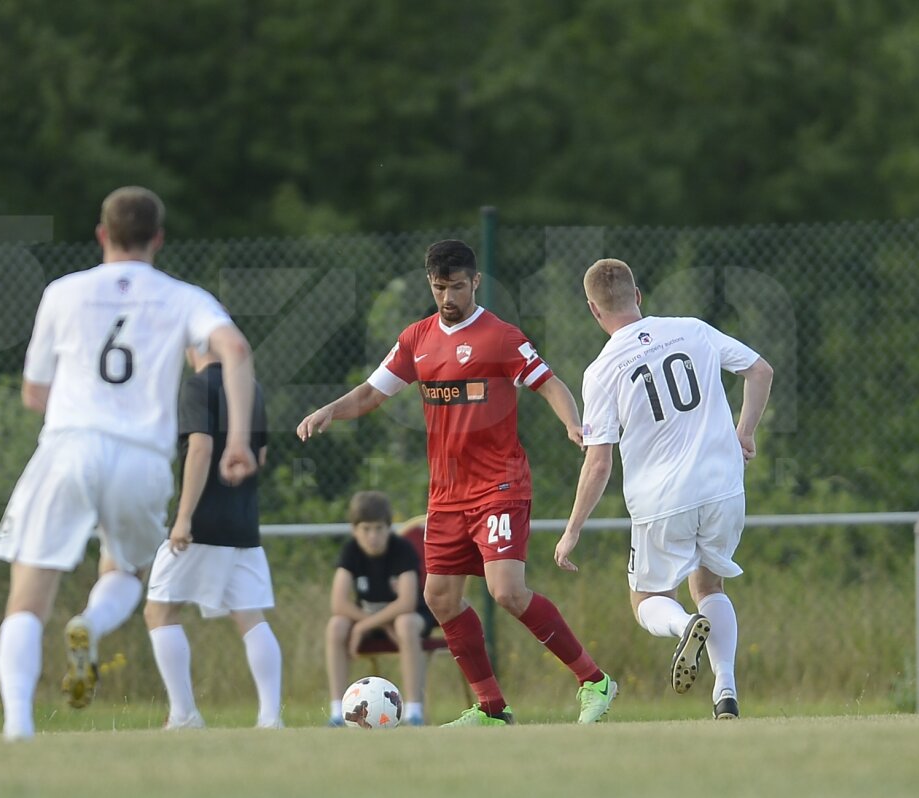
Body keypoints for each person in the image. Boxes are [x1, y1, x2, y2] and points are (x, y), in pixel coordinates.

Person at [298, 239, 617, 726]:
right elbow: (370, 393)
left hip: (500, 485)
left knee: (507, 590)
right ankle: (491, 708)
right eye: (438, 287)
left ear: (476, 283)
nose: (447, 297)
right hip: (446, 494)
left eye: (457, 287)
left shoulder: (501, 337)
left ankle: (594, 681)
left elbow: (549, 382)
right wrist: (330, 410)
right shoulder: (416, 339)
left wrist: (571, 423)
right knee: (439, 598)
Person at [0, 186, 258, 741]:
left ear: (101, 235)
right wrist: (235, 440)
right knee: (126, 573)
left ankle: (18, 726)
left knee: (29, 593)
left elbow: (33, 393)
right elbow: (234, 349)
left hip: (70, 444)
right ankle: (89, 624)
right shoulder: (183, 297)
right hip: (141, 457)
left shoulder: (63, 292)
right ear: (158, 238)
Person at [554, 258, 773, 721]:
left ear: (594, 310)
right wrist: (746, 432)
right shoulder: (691, 329)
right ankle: (726, 692)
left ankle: (683, 626)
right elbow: (760, 371)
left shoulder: (602, 370)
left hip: (661, 501)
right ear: (638, 296)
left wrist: (572, 529)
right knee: (709, 582)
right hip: (723, 486)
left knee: (647, 600)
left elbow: (598, 462)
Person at [142, 345, 282, 729]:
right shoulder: (250, 386)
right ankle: (271, 718)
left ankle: (184, 714)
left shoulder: (197, 386)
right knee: (250, 617)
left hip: (203, 521)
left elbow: (200, 447)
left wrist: (184, 517)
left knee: (160, 609)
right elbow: (262, 455)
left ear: (194, 346)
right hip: (243, 522)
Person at [326, 494, 434, 727]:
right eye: (366, 529)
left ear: (388, 528)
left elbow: (406, 602)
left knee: (404, 623)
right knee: (337, 625)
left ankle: (414, 712)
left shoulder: (402, 549)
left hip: (409, 619)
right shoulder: (351, 551)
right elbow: (338, 603)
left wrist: (365, 626)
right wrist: (374, 623)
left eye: (378, 528)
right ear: (354, 530)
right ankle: (337, 712)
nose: (373, 536)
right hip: (374, 619)